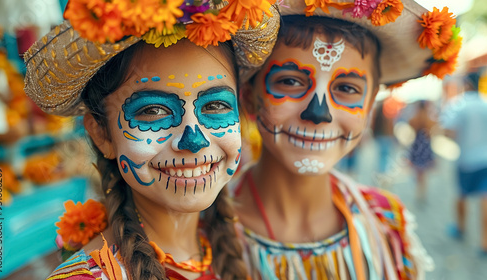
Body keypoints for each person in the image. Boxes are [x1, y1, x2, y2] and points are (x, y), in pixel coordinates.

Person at [23, 0, 279, 279]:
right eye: (153, 111)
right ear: (101, 133)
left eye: (215, 106)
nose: (194, 140)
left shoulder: (254, 253)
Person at [232, 1, 460, 279]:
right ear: (248, 97)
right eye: (290, 81)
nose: (318, 113)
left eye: (346, 88)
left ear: (369, 105)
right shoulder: (197, 232)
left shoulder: (387, 222)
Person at [442, 72, 487, 255]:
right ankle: (484, 241)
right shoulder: (485, 104)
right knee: (484, 198)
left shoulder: (459, 104)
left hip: (466, 159)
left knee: (461, 195)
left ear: (467, 84)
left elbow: (448, 131)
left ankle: (460, 228)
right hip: (485, 158)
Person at [408, 100, 436, 201]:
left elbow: (410, 124)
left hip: (417, 144)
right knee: (423, 172)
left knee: (417, 171)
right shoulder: (428, 118)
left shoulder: (415, 117)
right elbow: (434, 126)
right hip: (425, 145)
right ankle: (422, 192)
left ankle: (418, 191)